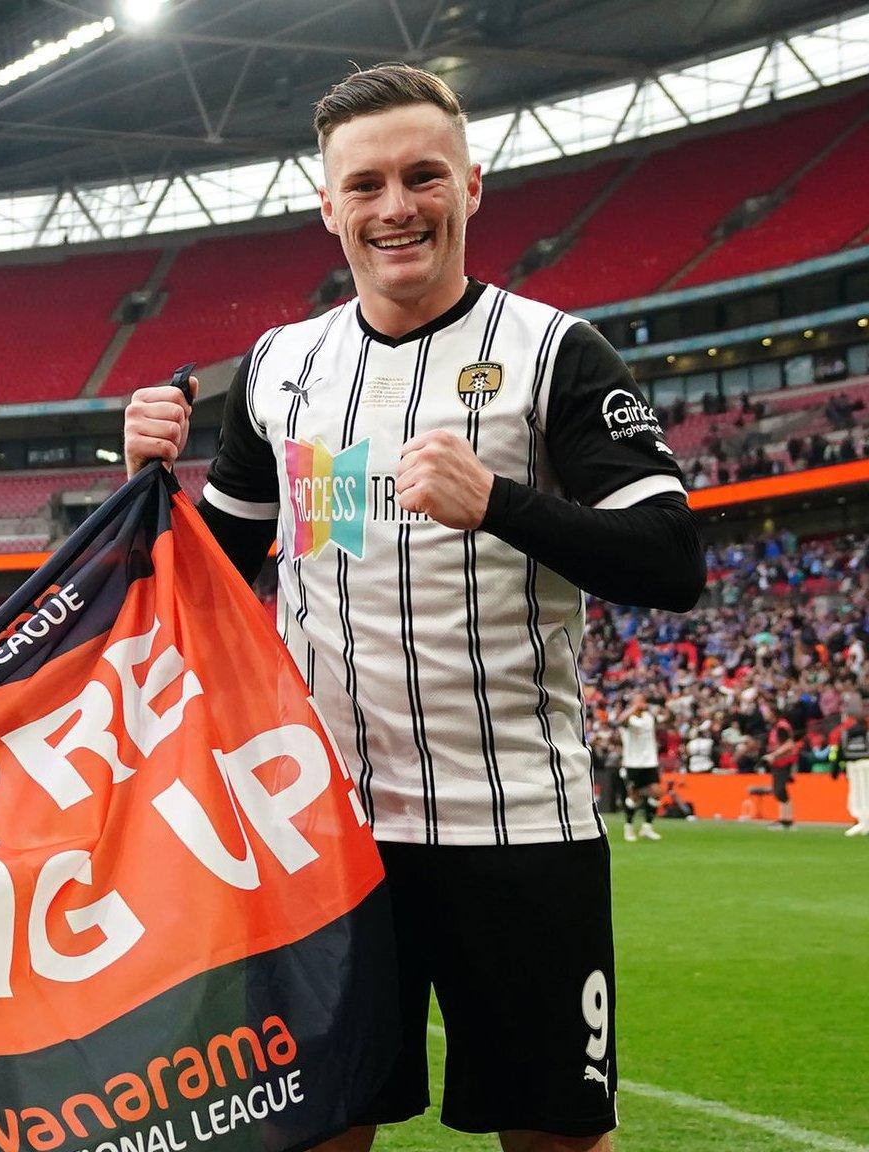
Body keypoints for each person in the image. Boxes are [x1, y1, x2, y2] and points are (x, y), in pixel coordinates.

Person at [123, 64, 702, 1152]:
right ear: (327, 207)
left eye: (422, 177)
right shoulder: (278, 369)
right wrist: (139, 483)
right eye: (366, 185)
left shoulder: (553, 352)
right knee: (317, 1129)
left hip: (519, 826)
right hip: (329, 832)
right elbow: (206, 575)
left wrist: (502, 504)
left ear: (471, 186)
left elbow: (671, 559)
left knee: (556, 1138)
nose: (395, 207)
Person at [619, 697, 663, 842]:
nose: (642, 704)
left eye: (643, 701)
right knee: (634, 796)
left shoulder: (648, 717)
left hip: (650, 762)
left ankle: (647, 827)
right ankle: (629, 827)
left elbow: (662, 718)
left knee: (657, 792)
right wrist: (633, 708)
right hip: (633, 763)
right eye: (638, 701)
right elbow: (620, 721)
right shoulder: (628, 720)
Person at [763, 717, 800, 829]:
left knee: (780, 790)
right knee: (779, 791)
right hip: (779, 763)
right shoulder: (778, 726)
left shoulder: (781, 727)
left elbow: (789, 744)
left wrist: (773, 755)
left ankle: (787, 820)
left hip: (783, 762)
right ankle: (784, 819)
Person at [836, 713, 869, 836]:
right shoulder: (866, 733)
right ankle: (864, 824)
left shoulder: (846, 734)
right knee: (866, 794)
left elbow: (840, 751)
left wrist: (835, 769)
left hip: (853, 765)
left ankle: (862, 822)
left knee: (857, 795)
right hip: (866, 764)